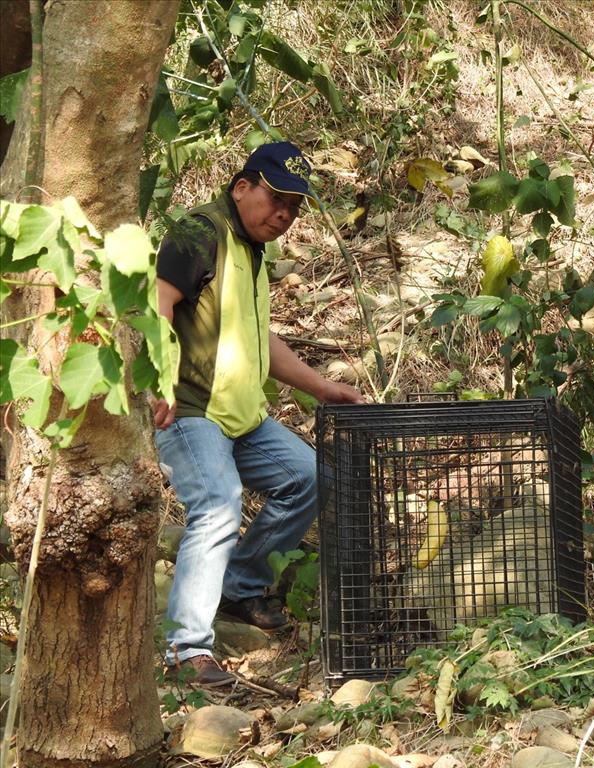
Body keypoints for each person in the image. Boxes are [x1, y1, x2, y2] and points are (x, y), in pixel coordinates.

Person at [152, 142, 363, 686]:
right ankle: (185, 650)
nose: (284, 216)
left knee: (310, 477)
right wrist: (156, 382)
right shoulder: (201, 232)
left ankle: (239, 587)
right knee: (219, 507)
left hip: (242, 416)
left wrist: (323, 388)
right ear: (242, 186)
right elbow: (156, 303)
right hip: (192, 410)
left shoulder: (252, 252)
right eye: (276, 199)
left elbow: (260, 340)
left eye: (294, 208)